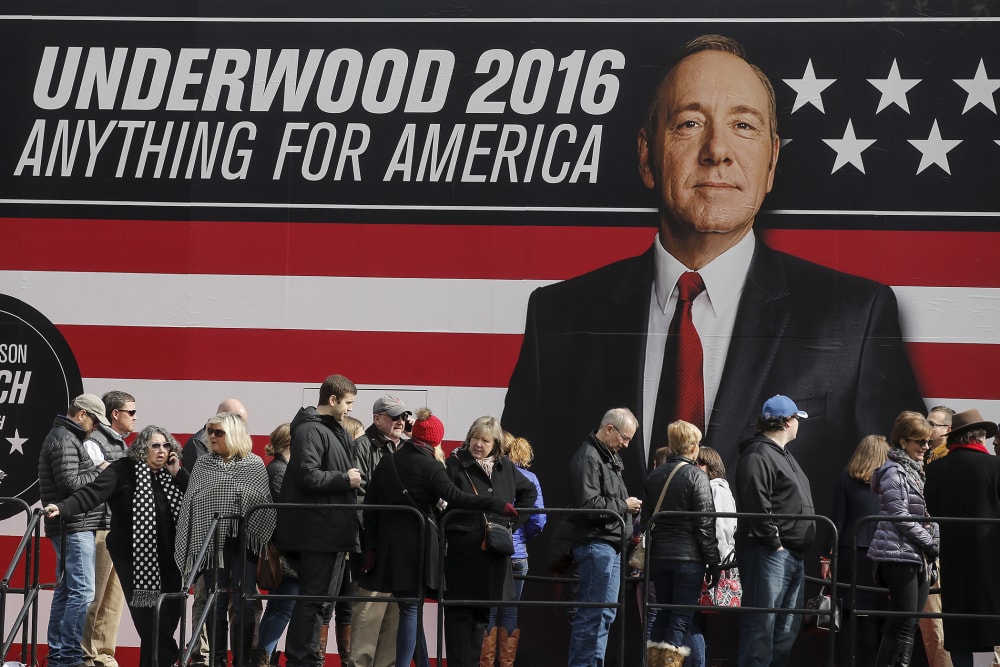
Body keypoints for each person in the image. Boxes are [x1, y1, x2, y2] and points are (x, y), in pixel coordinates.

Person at [501, 32, 922, 521]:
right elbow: (522, 483)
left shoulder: (857, 316)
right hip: (606, 591)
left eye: (743, 125)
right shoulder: (558, 318)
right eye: (689, 122)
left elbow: (900, 492)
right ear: (646, 155)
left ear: (772, 160)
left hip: (774, 594)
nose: (716, 150)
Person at [361, 408, 520, 667]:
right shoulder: (431, 466)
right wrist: (495, 504)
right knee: (412, 609)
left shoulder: (388, 461)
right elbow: (456, 497)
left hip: (388, 546)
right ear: (435, 440)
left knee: (401, 608)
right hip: (419, 545)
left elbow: (370, 506)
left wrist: (371, 547)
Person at [45, 425, 189, 667]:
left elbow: (195, 496)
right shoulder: (123, 470)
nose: (162, 451)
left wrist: (179, 473)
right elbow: (92, 493)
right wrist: (62, 507)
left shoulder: (172, 474)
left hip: (172, 561)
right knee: (149, 621)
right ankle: (167, 659)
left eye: (166, 445)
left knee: (167, 619)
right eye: (155, 446)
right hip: (133, 559)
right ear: (142, 449)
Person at [175, 411, 276, 667]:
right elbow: (192, 504)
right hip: (212, 545)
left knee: (244, 603)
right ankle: (216, 661)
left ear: (234, 434)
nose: (212, 436)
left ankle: (241, 660)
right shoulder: (203, 464)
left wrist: (240, 501)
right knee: (215, 601)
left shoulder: (253, 464)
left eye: (218, 432)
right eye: (210, 431)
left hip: (245, 544)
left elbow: (264, 504)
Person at [274, 374, 361, 667]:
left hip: (329, 528)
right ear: (333, 400)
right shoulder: (312, 430)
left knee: (320, 600)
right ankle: (300, 658)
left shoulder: (328, 429)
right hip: (318, 530)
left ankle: (307, 656)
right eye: (348, 403)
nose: (350, 409)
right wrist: (345, 479)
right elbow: (307, 476)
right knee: (311, 599)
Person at [442, 417, 537, 667]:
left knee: (482, 618)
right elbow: (441, 501)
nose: (478, 444)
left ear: (495, 443)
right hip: (463, 554)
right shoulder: (455, 464)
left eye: (485, 440)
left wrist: (510, 526)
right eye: (475, 438)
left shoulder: (505, 466)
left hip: (493, 555)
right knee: (459, 619)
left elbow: (529, 492)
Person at [734, 394, 815, 667]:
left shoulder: (781, 454)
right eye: (797, 419)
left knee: (784, 632)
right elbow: (755, 502)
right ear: (788, 422)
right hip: (769, 554)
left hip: (790, 554)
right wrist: (774, 542)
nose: (798, 424)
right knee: (761, 629)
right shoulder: (758, 454)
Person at [565, 407, 643, 667]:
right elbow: (588, 505)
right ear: (609, 428)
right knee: (593, 614)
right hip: (596, 544)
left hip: (610, 545)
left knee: (604, 614)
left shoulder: (606, 456)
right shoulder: (588, 458)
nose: (626, 444)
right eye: (624, 437)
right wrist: (624, 505)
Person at [38, 393, 110, 667]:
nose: (96, 427)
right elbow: (70, 483)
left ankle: (60, 655)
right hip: (73, 525)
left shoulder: (64, 437)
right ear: (81, 414)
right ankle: (68, 656)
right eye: (94, 421)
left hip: (71, 523)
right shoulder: (65, 438)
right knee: (82, 592)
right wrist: (101, 471)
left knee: (68, 591)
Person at [640, 420, 720, 667]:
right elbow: (705, 525)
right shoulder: (697, 476)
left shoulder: (654, 476)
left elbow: (646, 520)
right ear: (694, 447)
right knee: (680, 618)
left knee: (663, 614)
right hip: (688, 560)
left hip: (659, 557)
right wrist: (714, 563)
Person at [924, 409, 1000, 667]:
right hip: (989, 558)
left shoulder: (936, 470)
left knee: (958, 626)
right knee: (985, 629)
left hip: (953, 558)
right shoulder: (994, 467)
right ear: (980, 438)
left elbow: (932, 510)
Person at [182, 397, 250, 667]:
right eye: (239, 421)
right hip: (209, 537)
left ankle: (230, 657)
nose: (243, 427)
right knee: (207, 597)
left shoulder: (242, 453)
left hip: (233, 538)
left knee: (236, 601)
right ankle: (202, 656)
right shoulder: (199, 444)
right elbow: (209, 490)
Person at [867, 412, 940, 667]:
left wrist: (932, 538)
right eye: (919, 441)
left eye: (927, 442)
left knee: (907, 623)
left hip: (913, 554)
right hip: (899, 556)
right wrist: (930, 542)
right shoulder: (894, 471)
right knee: (902, 622)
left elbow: (924, 515)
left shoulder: (913, 471)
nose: (925, 447)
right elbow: (901, 517)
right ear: (902, 442)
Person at [351, 395, 411, 667]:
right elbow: (359, 498)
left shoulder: (407, 449)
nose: (401, 421)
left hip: (399, 545)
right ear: (377, 419)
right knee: (369, 611)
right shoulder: (362, 447)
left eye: (403, 416)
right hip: (374, 542)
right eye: (394, 416)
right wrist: (371, 542)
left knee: (394, 614)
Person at [822, 435, 889, 667]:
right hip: (880, 556)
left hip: (849, 554)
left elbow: (837, 521)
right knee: (873, 617)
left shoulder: (845, 479)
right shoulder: (890, 483)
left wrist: (826, 557)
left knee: (847, 617)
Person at [80, 390, 136, 667]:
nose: (136, 418)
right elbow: (99, 483)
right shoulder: (94, 442)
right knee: (95, 597)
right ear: (115, 414)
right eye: (131, 412)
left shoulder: (121, 444)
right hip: (100, 528)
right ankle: (87, 656)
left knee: (113, 600)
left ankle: (104, 655)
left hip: (119, 527)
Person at [482, 433, 546, 667]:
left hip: (490, 552)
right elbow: (538, 520)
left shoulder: (492, 473)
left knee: (488, 612)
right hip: (517, 554)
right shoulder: (530, 477)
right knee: (509, 613)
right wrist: (520, 536)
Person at [685, 445, 736, 666]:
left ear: (710, 465)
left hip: (708, 563)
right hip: (707, 561)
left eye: (699, 463)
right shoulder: (708, 488)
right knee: (697, 619)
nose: (694, 467)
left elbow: (721, 529)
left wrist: (714, 561)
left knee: (691, 619)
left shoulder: (717, 489)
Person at [251, 423, 296, 667]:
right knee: (283, 608)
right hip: (284, 553)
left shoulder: (280, 467)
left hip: (284, 551)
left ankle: (264, 656)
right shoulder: (279, 470)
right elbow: (283, 513)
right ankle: (263, 658)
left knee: (278, 607)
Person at [920, 406, 956, 667]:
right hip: (933, 546)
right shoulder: (929, 458)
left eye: (932, 423)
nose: (926, 427)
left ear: (948, 430)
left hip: (942, 549)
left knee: (937, 620)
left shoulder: (946, 462)